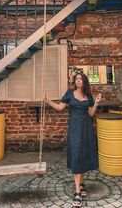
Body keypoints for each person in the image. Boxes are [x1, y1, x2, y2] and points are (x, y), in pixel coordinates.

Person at [44, 72, 102, 207]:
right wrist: (48, 101)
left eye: (81, 78)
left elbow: (91, 113)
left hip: (86, 128)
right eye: (76, 79)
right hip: (75, 128)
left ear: (85, 81)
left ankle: (80, 185)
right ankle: (76, 192)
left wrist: (97, 103)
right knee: (76, 155)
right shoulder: (70, 94)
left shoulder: (88, 96)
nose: (78, 80)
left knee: (83, 155)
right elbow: (59, 108)